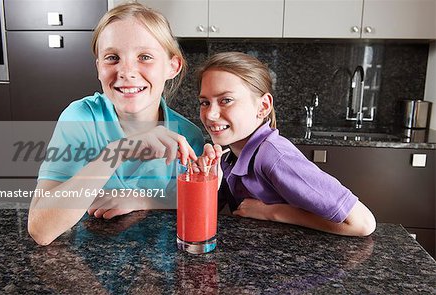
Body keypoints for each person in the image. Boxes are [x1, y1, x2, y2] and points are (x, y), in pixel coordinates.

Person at [28, 2, 204, 245]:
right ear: (99, 67)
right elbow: (41, 230)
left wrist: (143, 199)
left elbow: (191, 204)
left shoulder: (188, 136)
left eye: (145, 57)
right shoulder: (80, 118)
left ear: (172, 66)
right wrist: (117, 151)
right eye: (112, 58)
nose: (126, 71)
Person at [196, 52, 376, 236]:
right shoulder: (229, 158)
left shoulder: (273, 156)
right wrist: (205, 183)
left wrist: (271, 212)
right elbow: (201, 221)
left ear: (263, 106)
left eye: (226, 100)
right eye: (204, 102)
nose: (210, 114)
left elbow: (362, 223)